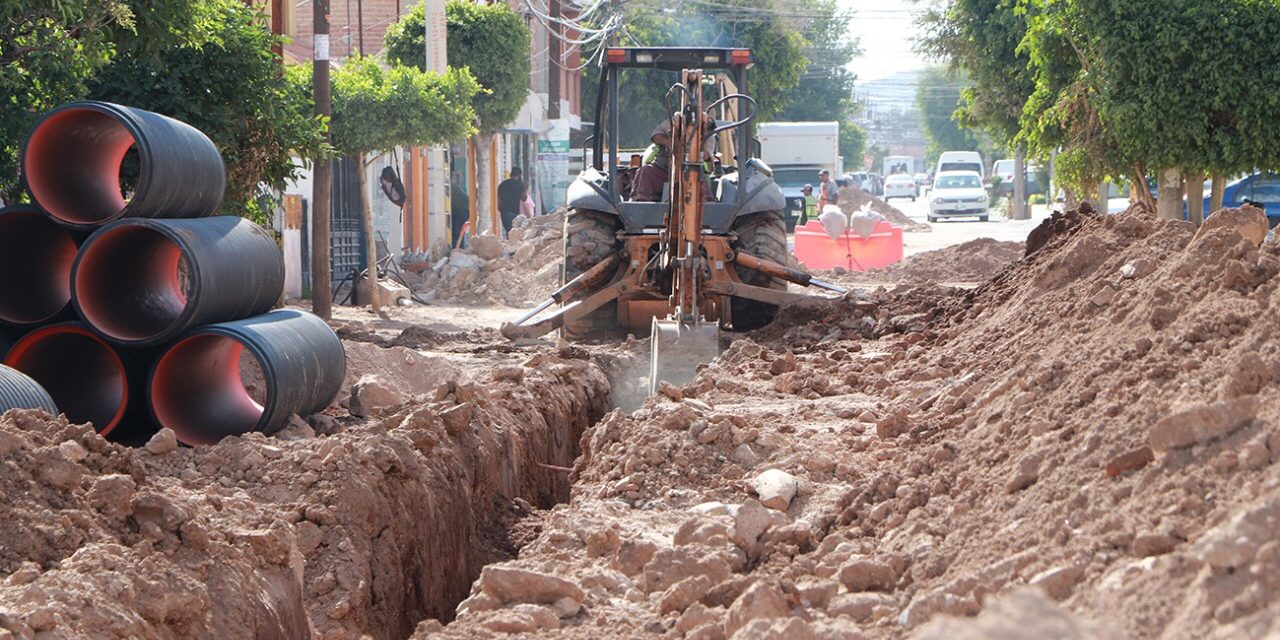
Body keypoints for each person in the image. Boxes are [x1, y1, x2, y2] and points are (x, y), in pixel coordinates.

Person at [497, 167, 527, 236]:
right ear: (519, 175)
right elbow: (524, 198)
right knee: (514, 233)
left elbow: (498, 201)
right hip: (514, 212)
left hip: (504, 212)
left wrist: (501, 209)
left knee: (508, 231)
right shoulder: (520, 185)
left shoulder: (502, 184)